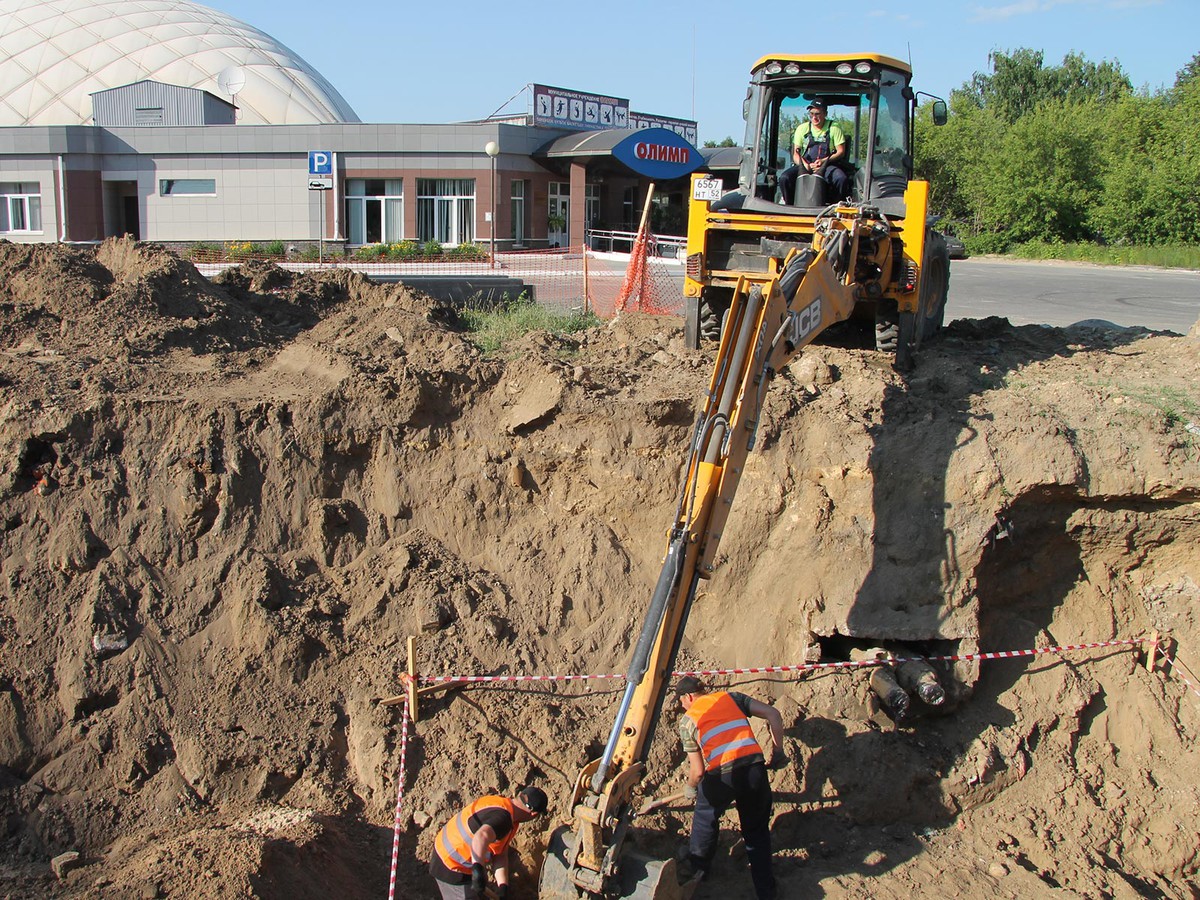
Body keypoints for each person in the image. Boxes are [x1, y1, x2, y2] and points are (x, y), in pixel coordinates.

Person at [675, 676, 786, 900]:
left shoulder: (688, 720)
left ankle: (698, 868)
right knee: (757, 833)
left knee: (705, 815)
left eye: (681, 702)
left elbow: (697, 771)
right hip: (755, 769)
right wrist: (778, 752)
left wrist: (690, 788)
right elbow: (773, 714)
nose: (683, 707)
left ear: (687, 697)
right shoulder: (732, 698)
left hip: (723, 775)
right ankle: (766, 892)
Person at [429, 785, 548, 899]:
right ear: (534, 814)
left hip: (453, 856)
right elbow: (480, 837)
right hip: (450, 865)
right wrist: (478, 871)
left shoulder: (504, 807)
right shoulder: (503, 820)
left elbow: (500, 854)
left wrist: (503, 886)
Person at [778, 98, 850, 206]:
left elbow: (840, 151)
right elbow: (796, 154)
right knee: (785, 178)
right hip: (806, 164)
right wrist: (806, 165)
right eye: (811, 114)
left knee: (841, 179)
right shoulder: (802, 129)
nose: (814, 117)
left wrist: (823, 161)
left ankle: (836, 206)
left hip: (827, 165)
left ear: (825, 113)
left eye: (817, 114)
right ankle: (790, 205)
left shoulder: (834, 128)